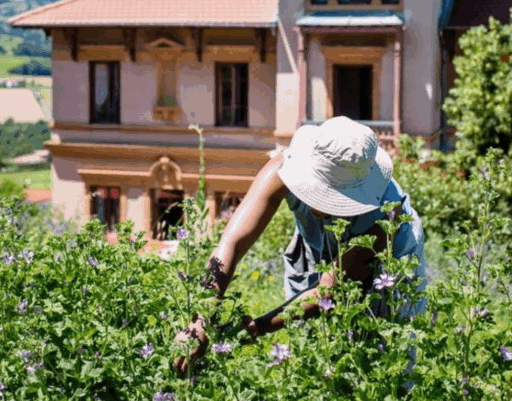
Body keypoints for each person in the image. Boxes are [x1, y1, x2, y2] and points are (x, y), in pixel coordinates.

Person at [173, 116, 427, 375]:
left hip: (388, 260)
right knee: (317, 357)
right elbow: (231, 243)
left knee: (384, 359)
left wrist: (260, 326)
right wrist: (199, 319)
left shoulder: (385, 213)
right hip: (317, 244)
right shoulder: (284, 168)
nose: (324, 204)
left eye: (335, 198)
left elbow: (329, 290)